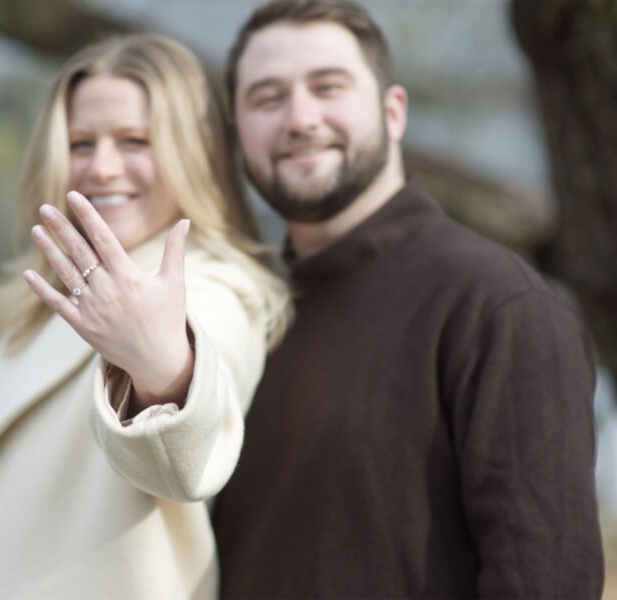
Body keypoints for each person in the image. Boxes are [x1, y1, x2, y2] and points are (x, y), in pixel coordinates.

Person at [211, 1, 605, 598]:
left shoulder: (496, 306)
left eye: (328, 87)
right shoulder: (240, 319)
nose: (299, 118)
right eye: (267, 99)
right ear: (239, 133)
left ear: (393, 112)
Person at [0, 32, 290, 600]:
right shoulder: (46, 301)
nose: (102, 167)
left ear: (193, 154)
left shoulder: (210, 288)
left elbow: (185, 460)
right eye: (82, 143)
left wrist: (165, 373)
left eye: (135, 140)